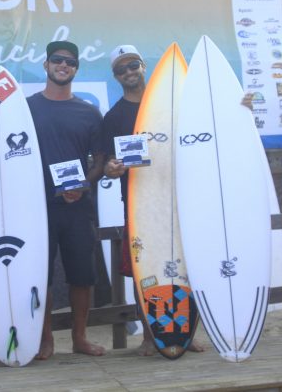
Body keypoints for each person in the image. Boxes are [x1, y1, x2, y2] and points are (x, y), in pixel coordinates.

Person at [101, 44, 205, 356]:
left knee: (189, 265)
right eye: (121, 69)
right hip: (140, 205)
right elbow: (106, 164)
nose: (129, 72)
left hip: (180, 200)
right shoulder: (114, 116)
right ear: (115, 76)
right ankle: (150, 335)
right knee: (143, 268)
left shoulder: (176, 104)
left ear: (143, 65)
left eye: (132, 65)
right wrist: (110, 168)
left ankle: (186, 334)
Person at [27, 41, 106, 360]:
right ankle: (45, 340)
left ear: (76, 69)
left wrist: (83, 185)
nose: (63, 65)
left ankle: (80, 338)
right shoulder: (26, 108)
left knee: (82, 275)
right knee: (38, 276)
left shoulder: (89, 112)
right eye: (57, 60)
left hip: (77, 207)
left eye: (70, 62)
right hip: (36, 208)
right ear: (46, 65)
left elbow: (99, 161)